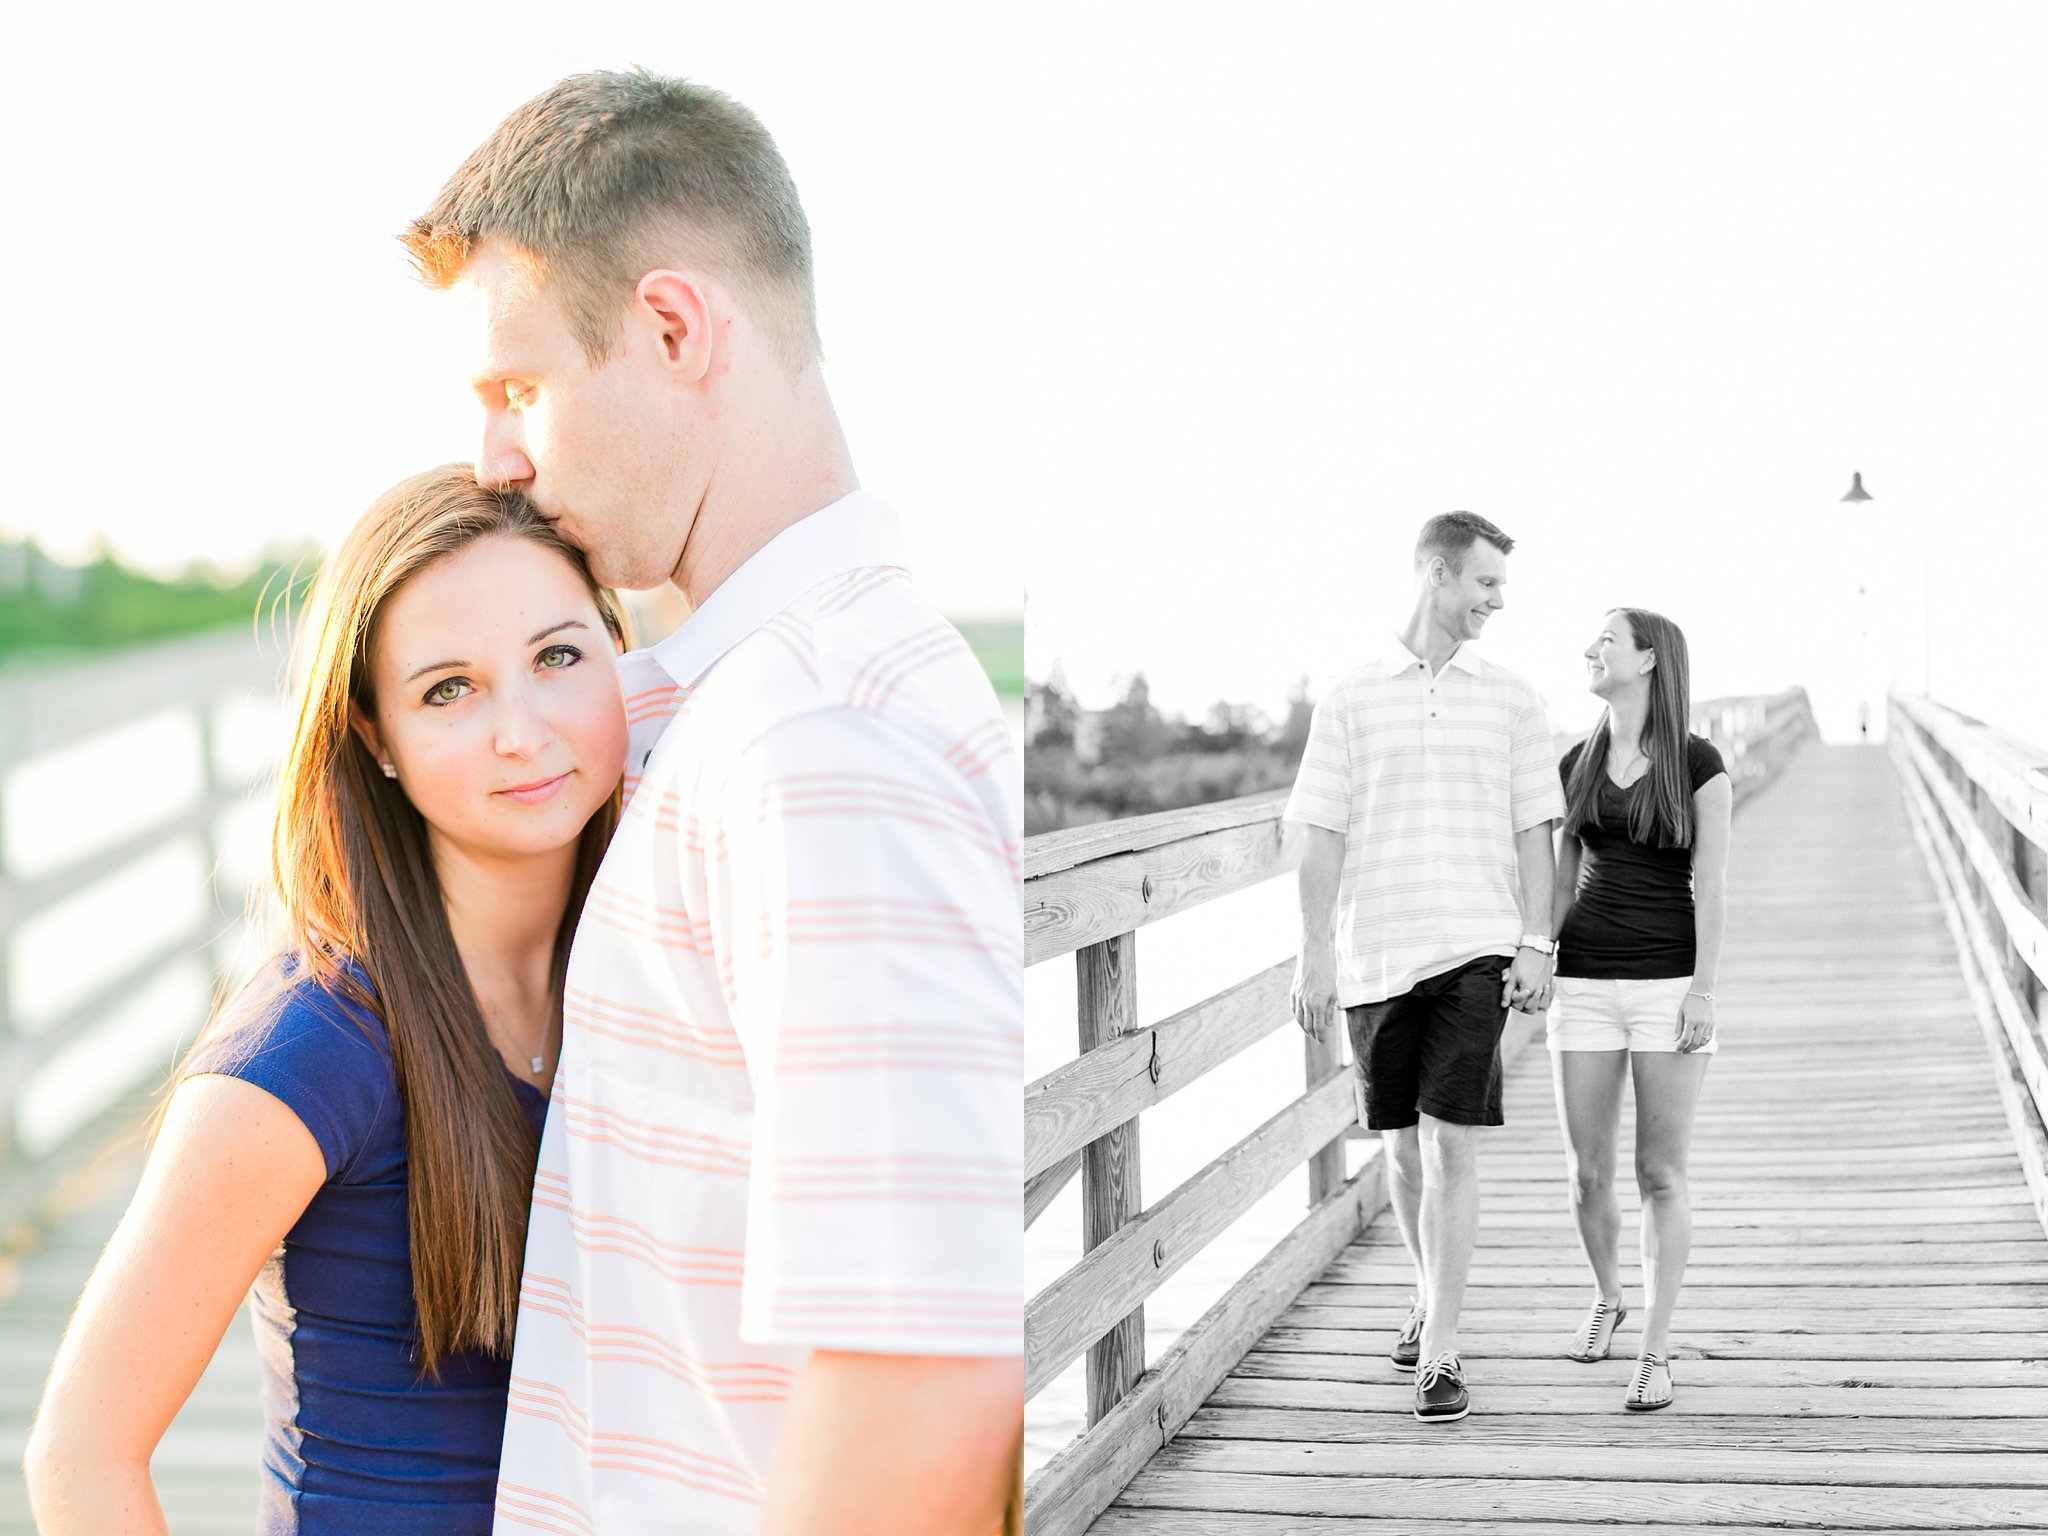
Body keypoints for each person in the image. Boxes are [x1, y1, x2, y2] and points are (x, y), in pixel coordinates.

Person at [402, 70, 1022, 1535]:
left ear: (676, 329)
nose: (492, 459)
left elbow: (918, 1387)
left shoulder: (819, 743)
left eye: (517, 390)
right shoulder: (751, 715)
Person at [25, 466, 632, 1534]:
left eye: (557, 657)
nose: (521, 728)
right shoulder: (315, 1044)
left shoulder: (652, 974)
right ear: (374, 738)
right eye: (449, 688)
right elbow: (81, 1450)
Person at [1287, 511, 1564, 1424]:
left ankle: (1441, 1348)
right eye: (1486, 583)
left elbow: (1538, 831)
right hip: (1375, 951)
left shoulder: (1515, 699)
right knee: (1399, 1148)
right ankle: (1424, 1294)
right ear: (1437, 575)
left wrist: (1536, 939)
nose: (1496, 602)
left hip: (1473, 946)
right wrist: (1316, 951)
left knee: (1450, 1140)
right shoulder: (1352, 697)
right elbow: (1319, 829)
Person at [1523, 608, 1730, 1411]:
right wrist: (1537, 955)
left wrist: (1703, 989)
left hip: (1666, 986)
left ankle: (1655, 1346)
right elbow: (1559, 874)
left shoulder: (1698, 762)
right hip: (1585, 987)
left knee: (1659, 1173)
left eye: (1606, 639)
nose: (1590, 649)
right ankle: (1608, 1295)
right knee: (1586, 1174)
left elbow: (1711, 886)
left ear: (1648, 659)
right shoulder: (1575, 761)